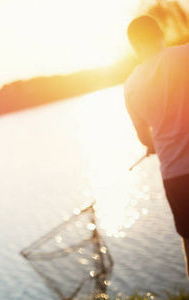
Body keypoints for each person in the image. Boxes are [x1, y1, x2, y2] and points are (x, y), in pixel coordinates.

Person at [124, 15, 189, 277]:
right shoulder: (184, 56)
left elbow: (144, 137)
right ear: (160, 32)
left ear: (134, 46)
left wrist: (153, 145)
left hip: (174, 177)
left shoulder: (130, 87)